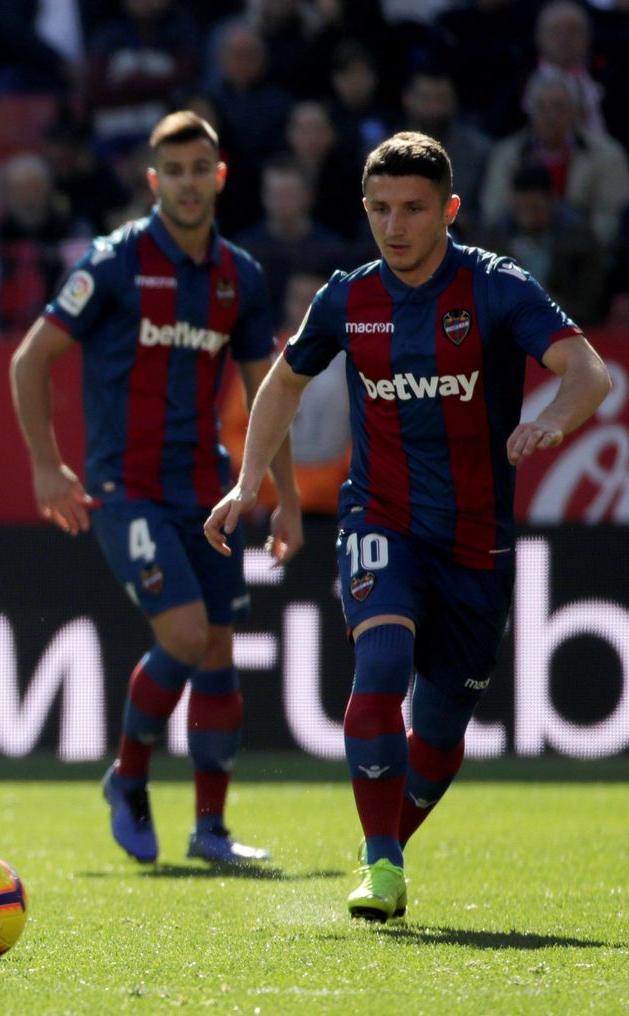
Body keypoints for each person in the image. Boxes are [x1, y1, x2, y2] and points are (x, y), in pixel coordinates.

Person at [205, 131, 610, 921]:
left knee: (439, 735)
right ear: (365, 210)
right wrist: (248, 481)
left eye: (414, 210)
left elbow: (586, 370)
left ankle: (381, 846)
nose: (396, 226)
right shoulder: (347, 299)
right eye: (382, 209)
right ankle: (384, 866)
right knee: (380, 669)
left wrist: (554, 421)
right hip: (380, 515)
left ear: (450, 210)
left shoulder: (497, 287)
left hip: (476, 540)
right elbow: (283, 387)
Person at [9, 110, 302, 867]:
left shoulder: (242, 277)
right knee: (183, 635)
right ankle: (128, 776)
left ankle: (211, 830)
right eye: (172, 171)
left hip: (206, 486)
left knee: (219, 651)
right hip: (126, 485)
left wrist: (287, 497)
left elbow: (265, 392)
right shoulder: (111, 263)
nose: (187, 183)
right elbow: (29, 360)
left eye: (199, 168)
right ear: (153, 181)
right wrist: (47, 464)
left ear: (220, 176)